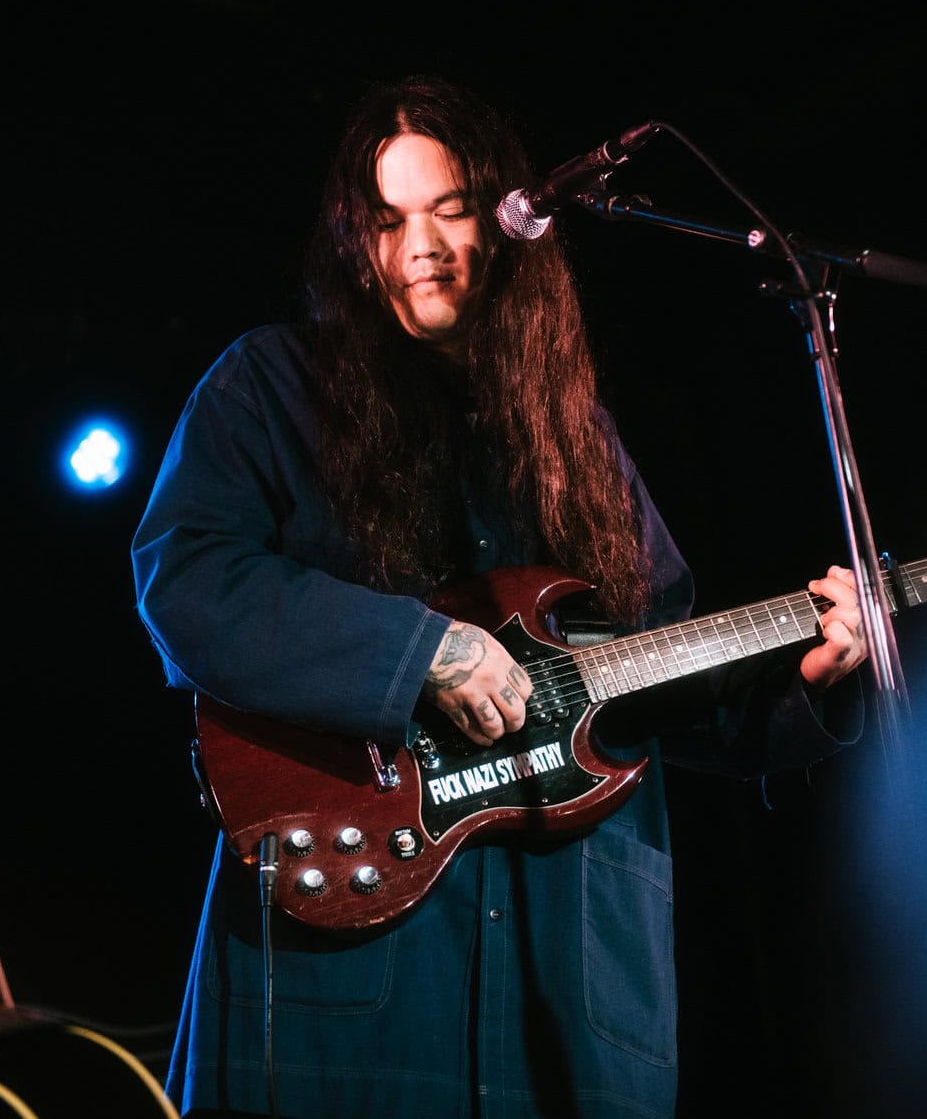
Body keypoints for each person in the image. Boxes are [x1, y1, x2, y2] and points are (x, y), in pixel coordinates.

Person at [131, 74, 866, 1119]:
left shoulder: (578, 437)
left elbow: (661, 674)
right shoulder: (272, 386)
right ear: (352, 241)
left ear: (508, 220)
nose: (421, 246)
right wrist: (421, 651)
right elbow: (190, 578)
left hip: (565, 981)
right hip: (354, 977)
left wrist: (808, 683)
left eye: (451, 209)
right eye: (388, 220)